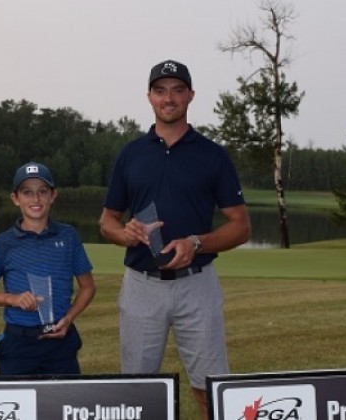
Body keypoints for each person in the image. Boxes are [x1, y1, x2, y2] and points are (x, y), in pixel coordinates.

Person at [98, 59, 251, 420]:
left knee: (209, 387)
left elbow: (241, 226)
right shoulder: (131, 154)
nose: (169, 98)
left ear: (191, 96)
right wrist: (125, 233)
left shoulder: (212, 155)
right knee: (138, 392)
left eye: (178, 90)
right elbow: (107, 221)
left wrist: (196, 243)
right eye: (161, 90)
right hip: (141, 286)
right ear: (149, 96)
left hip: (196, 286)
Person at [0, 162, 96, 375]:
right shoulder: (4, 243)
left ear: (53, 195)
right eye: (27, 193)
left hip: (61, 341)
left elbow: (87, 287)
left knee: (63, 405)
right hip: (19, 343)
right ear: (15, 198)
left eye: (42, 192)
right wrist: (12, 299)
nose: (36, 199)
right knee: (19, 405)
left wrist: (69, 318)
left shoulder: (68, 236)